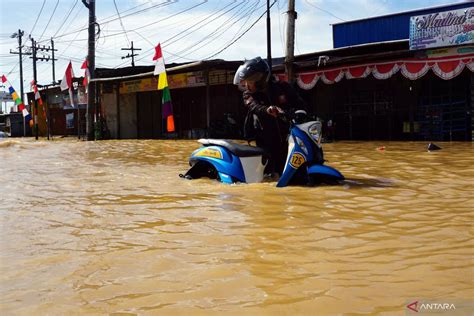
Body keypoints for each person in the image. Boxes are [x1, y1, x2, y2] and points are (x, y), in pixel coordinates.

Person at [233, 57, 306, 176]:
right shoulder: (248, 94)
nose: (246, 85)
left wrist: (292, 113)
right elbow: (254, 106)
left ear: (259, 79)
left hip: (287, 138)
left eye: (249, 81)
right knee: (268, 175)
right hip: (264, 141)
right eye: (245, 81)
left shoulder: (283, 87)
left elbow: (300, 105)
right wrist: (268, 110)